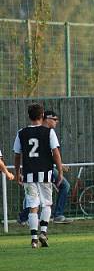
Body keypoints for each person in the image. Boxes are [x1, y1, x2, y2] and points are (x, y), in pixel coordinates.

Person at [13, 103, 63, 249]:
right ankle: (43, 232)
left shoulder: (21, 132)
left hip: (28, 175)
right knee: (46, 203)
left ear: (29, 116)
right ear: (42, 116)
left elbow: (17, 155)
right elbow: (56, 153)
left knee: (32, 206)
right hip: (45, 174)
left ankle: (34, 239)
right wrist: (60, 171)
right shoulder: (48, 132)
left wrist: (17, 173)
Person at [18, 110, 72, 224]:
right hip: (43, 169)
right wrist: (60, 168)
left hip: (38, 169)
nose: (57, 122)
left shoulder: (32, 132)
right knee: (60, 188)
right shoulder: (46, 133)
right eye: (55, 119)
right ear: (46, 118)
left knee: (34, 196)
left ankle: (25, 217)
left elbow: (44, 154)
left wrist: (60, 165)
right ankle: (56, 216)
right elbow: (49, 154)